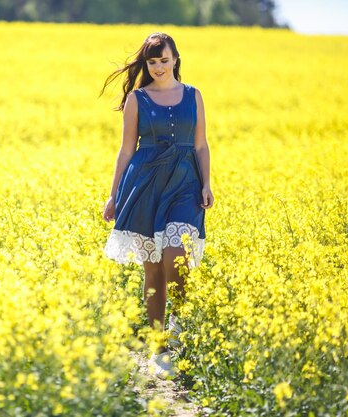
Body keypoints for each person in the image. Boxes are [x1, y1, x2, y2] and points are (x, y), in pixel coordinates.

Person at [100, 32, 214, 379]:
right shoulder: (137, 99)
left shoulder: (194, 96)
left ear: (176, 59)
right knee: (152, 270)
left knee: (175, 255)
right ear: (146, 64)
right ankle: (158, 346)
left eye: (164, 60)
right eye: (153, 62)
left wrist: (207, 183)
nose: (159, 67)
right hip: (144, 183)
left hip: (184, 182)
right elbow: (125, 150)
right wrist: (113, 194)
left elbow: (201, 145)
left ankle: (177, 322)